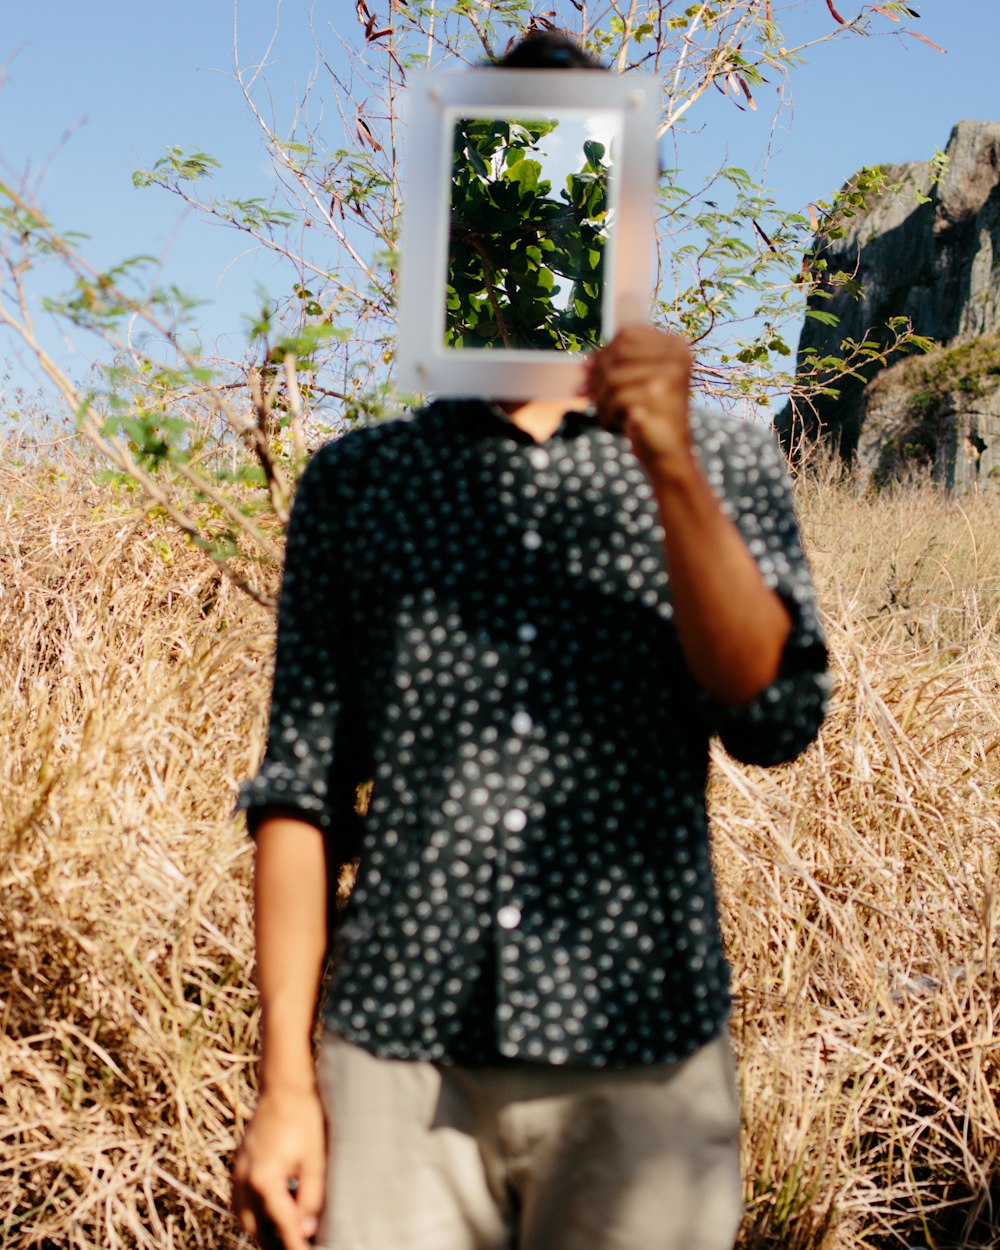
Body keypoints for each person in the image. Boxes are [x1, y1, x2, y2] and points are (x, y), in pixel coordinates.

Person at [232, 31, 829, 1250]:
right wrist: (284, 1081)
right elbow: (299, 793)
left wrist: (665, 460)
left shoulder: (720, 456)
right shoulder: (362, 483)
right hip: (394, 1058)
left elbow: (770, 715)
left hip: (641, 1053)